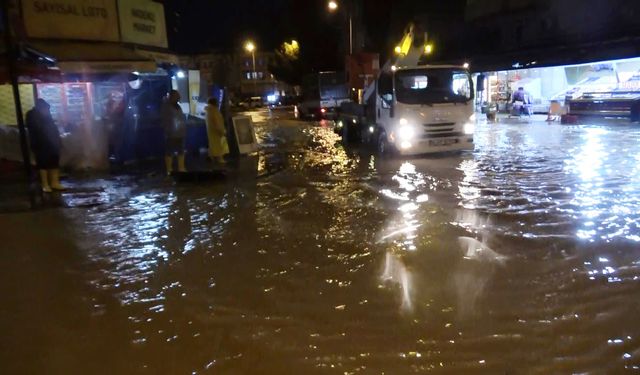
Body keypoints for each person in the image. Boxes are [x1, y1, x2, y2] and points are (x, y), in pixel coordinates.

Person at [26, 99, 65, 193]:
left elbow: (52, 128)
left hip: (51, 142)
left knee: (54, 161)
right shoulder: (32, 115)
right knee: (43, 163)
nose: (47, 111)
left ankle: (54, 182)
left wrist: (57, 141)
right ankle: (45, 184)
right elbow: (36, 129)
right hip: (40, 143)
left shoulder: (47, 115)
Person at [162, 90, 187, 174]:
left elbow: (181, 118)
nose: (178, 97)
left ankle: (181, 168)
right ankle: (169, 169)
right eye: (177, 96)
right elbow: (166, 120)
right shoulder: (166, 107)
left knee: (181, 150)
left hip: (180, 132)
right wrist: (168, 130)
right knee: (169, 151)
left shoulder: (178, 106)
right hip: (171, 133)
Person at [205, 97, 228, 164]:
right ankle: (219, 159)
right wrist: (222, 131)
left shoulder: (208, 111)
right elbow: (217, 122)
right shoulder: (214, 111)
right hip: (217, 132)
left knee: (213, 144)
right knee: (219, 146)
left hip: (211, 131)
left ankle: (212, 157)